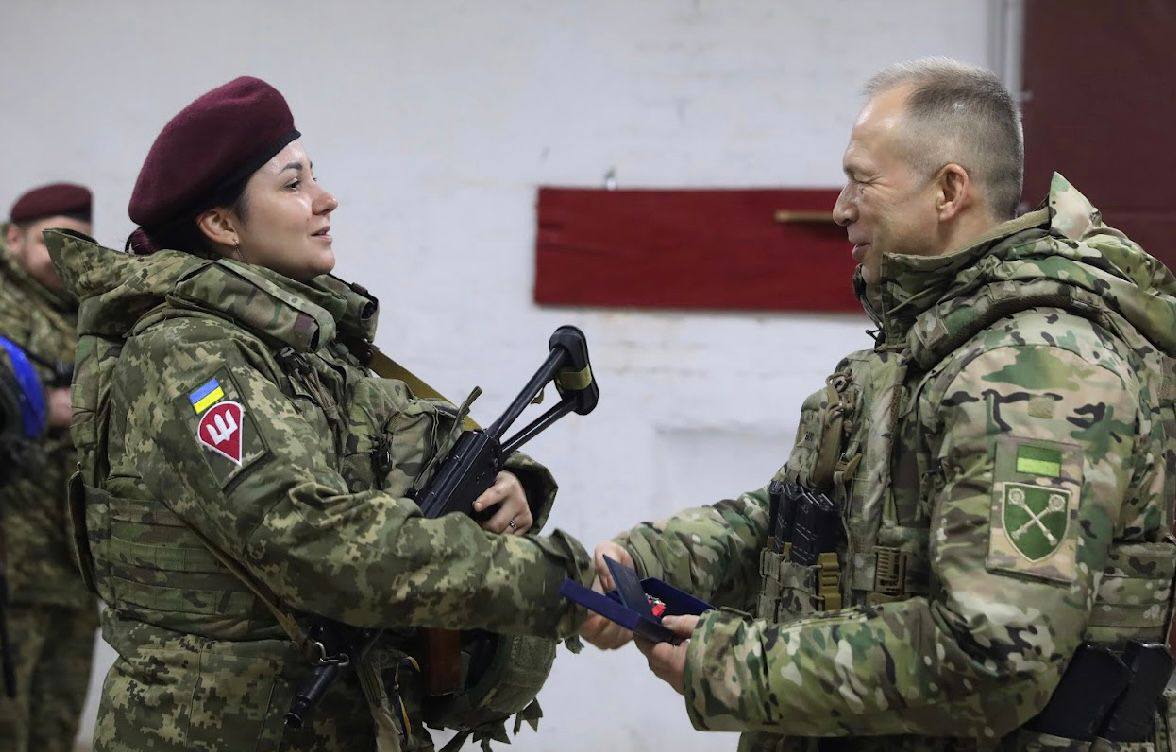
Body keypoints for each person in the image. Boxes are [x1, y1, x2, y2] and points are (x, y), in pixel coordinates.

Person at [583, 57, 1176, 751]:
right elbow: (804, 523)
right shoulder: (926, 348)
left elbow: (993, 658)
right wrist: (656, 560)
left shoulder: (1035, 372)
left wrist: (737, 666)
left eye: (862, 181)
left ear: (948, 190)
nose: (841, 208)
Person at [46, 76, 591, 752]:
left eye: (314, 175)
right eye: (293, 183)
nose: (325, 198)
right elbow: (308, 539)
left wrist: (508, 482)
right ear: (222, 225)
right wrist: (542, 583)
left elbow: (406, 426)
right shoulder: (186, 357)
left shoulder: (299, 340)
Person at [0, 183, 99, 752]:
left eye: (76, 244)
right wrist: (43, 404)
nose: (64, 257)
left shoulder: (90, 313)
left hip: (72, 562)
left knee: (56, 725)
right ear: (13, 238)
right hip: (10, 562)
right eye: (50, 242)